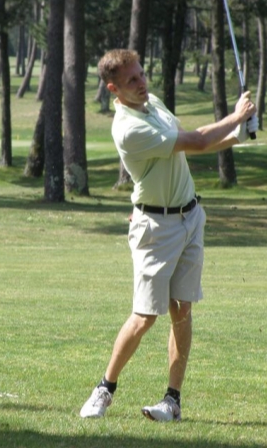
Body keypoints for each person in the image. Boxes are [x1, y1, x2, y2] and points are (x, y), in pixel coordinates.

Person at [79, 49, 257, 422]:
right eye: (132, 81)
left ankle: (172, 401)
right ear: (114, 88)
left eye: (142, 75)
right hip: (155, 230)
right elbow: (195, 141)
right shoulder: (128, 129)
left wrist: (238, 135)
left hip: (190, 217)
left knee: (182, 310)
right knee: (145, 316)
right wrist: (236, 117)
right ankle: (105, 388)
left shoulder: (153, 103)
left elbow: (190, 148)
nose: (142, 84)